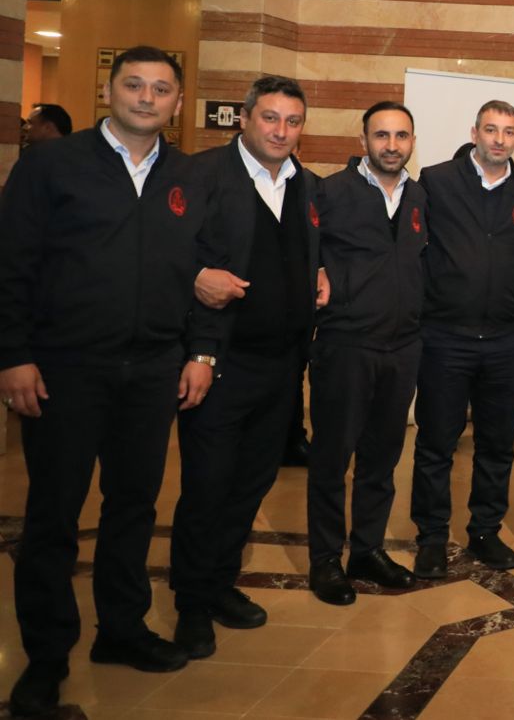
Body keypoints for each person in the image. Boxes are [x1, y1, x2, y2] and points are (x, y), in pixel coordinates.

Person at [0, 46, 210, 716]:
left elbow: (203, 269)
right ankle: (46, 656)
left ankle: (121, 629)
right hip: (66, 367)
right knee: (54, 515)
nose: (146, 97)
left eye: (161, 88)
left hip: (152, 370)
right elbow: (11, 262)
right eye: (134, 84)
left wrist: (200, 352)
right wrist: (12, 354)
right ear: (110, 91)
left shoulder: (188, 176)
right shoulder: (51, 165)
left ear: (178, 102)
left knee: (133, 506)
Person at [171, 76, 324, 657]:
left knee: (251, 484)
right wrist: (194, 282)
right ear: (245, 118)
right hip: (220, 363)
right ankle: (191, 605)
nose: (281, 131)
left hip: (282, 367)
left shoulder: (305, 184)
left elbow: (310, 249)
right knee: (207, 486)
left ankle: (218, 584)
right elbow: (164, 249)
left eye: (292, 121)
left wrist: (323, 271)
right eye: (270, 118)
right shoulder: (203, 174)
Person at [410, 102, 514, 579]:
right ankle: (431, 538)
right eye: (491, 129)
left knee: (498, 446)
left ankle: (485, 531)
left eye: (509, 132)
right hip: (446, 337)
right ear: (474, 132)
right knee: (436, 444)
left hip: (505, 341)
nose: (499, 139)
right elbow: (413, 246)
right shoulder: (437, 180)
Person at [306, 102, 429, 605]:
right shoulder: (330, 192)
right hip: (345, 346)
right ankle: (324, 561)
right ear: (363, 141)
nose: (391, 145)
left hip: (402, 348)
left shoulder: (419, 196)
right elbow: (305, 250)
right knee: (332, 459)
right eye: (382, 135)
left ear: (412, 142)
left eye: (401, 136)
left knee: (381, 459)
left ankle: (367, 550)